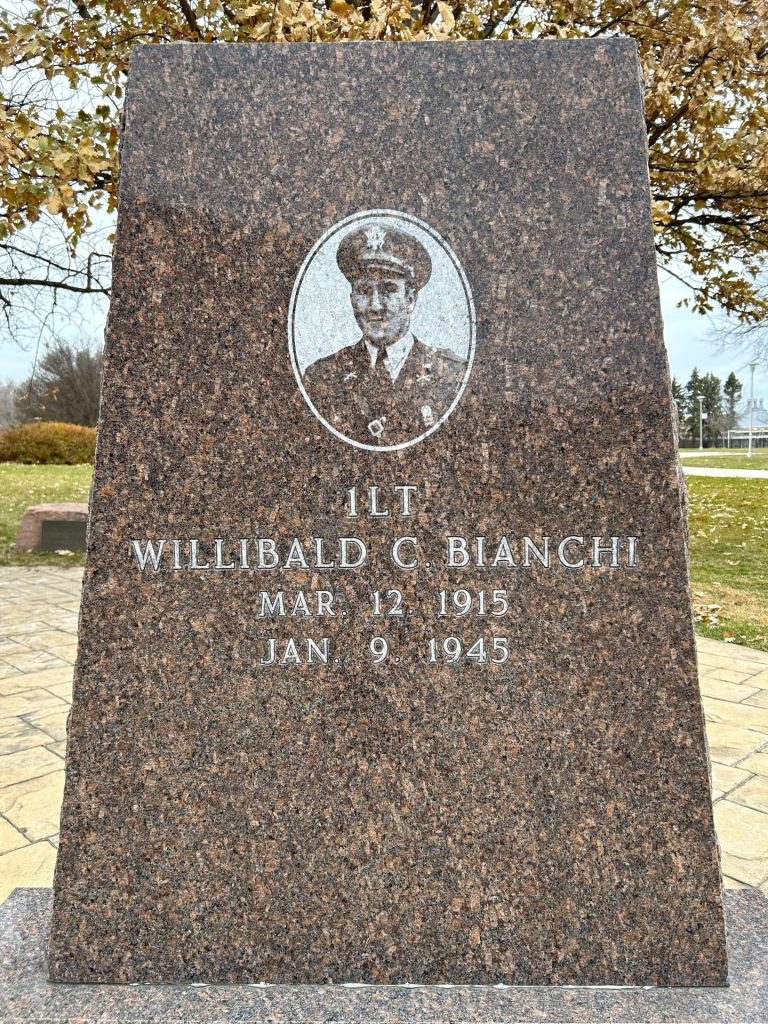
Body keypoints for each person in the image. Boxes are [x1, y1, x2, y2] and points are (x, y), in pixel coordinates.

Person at [302, 222, 467, 447]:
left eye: (388, 290)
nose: (375, 306)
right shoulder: (321, 377)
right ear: (351, 299)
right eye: (363, 291)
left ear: (411, 299)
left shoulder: (452, 375)